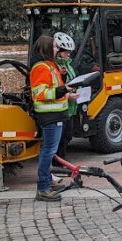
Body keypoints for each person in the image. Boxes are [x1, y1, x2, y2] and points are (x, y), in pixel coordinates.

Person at [30, 35, 78, 202]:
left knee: (49, 151)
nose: (57, 49)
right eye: (55, 47)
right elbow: (40, 94)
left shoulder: (50, 65)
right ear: (46, 48)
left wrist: (63, 81)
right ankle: (43, 188)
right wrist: (64, 89)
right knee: (48, 152)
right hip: (50, 116)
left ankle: (48, 182)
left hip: (56, 115)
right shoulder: (41, 67)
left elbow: (54, 88)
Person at [52, 32, 79, 161]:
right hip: (61, 108)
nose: (68, 54)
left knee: (67, 135)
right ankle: (58, 163)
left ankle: (60, 161)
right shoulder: (54, 66)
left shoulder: (68, 64)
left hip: (70, 108)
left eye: (69, 52)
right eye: (66, 52)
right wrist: (68, 95)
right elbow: (56, 87)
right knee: (60, 138)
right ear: (58, 52)